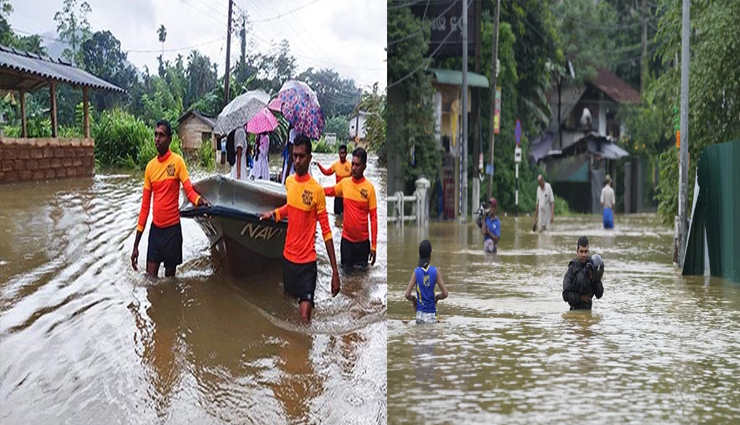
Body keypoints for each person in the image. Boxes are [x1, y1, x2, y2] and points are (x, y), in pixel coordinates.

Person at [260, 135, 340, 324]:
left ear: (310, 158)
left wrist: (335, 272)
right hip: (288, 260)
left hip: (307, 265)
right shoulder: (289, 182)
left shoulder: (317, 191)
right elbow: (291, 207)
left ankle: (304, 352)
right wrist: (274, 214)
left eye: (301, 156)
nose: (297, 160)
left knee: (304, 318)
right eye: (294, 155)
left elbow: (327, 232)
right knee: (288, 309)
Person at [131, 119, 210, 278]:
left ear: (169, 139)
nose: (157, 139)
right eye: (155, 135)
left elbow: (189, 190)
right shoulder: (150, 168)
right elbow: (145, 208)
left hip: (172, 232)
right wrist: (136, 245)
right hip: (155, 232)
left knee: (170, 285)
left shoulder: (177, 162)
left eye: (161, 135)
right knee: (150, 281)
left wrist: (200, 201)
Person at [323, 147, 377, 273]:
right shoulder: (345, 184)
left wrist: (373, 246)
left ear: (364, 166)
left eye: (357, 165)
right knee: (346, 280)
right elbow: (330, 191)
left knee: (362, 281)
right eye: (352, 164)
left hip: (363, 244)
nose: (353, 168)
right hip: (347, 242)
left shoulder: (369, 189)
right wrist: (316, 190)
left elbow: (374, 218)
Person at [404, 240, 449, 324]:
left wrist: (414, 299)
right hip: (431, 315)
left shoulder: (416, 272)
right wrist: (437, 298)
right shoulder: (435, 271)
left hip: (419, 315)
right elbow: (445, 293)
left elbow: (407, 295)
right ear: (430, 256)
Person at [562, 236, 604, 310]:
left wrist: (595, 279)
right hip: (574, 310)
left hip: (588, 310)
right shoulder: (572, 268)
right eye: (581, 252)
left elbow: (599, 295)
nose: (584, 255)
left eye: (585, 251)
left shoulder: (593, 266)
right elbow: (565, 295)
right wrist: (581, 298)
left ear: (588, 251)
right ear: (577, 252)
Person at [315, 144, 352, 215]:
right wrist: (319, 165)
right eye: (340, 153)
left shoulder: (350, 166)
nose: (342, 155)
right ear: (338, 153)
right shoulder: (336, 165)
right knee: (337, 218)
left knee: (346, 217)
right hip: (338, 196)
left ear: (346, 154)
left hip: (347, 197)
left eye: (343, 153)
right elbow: (326, 172)